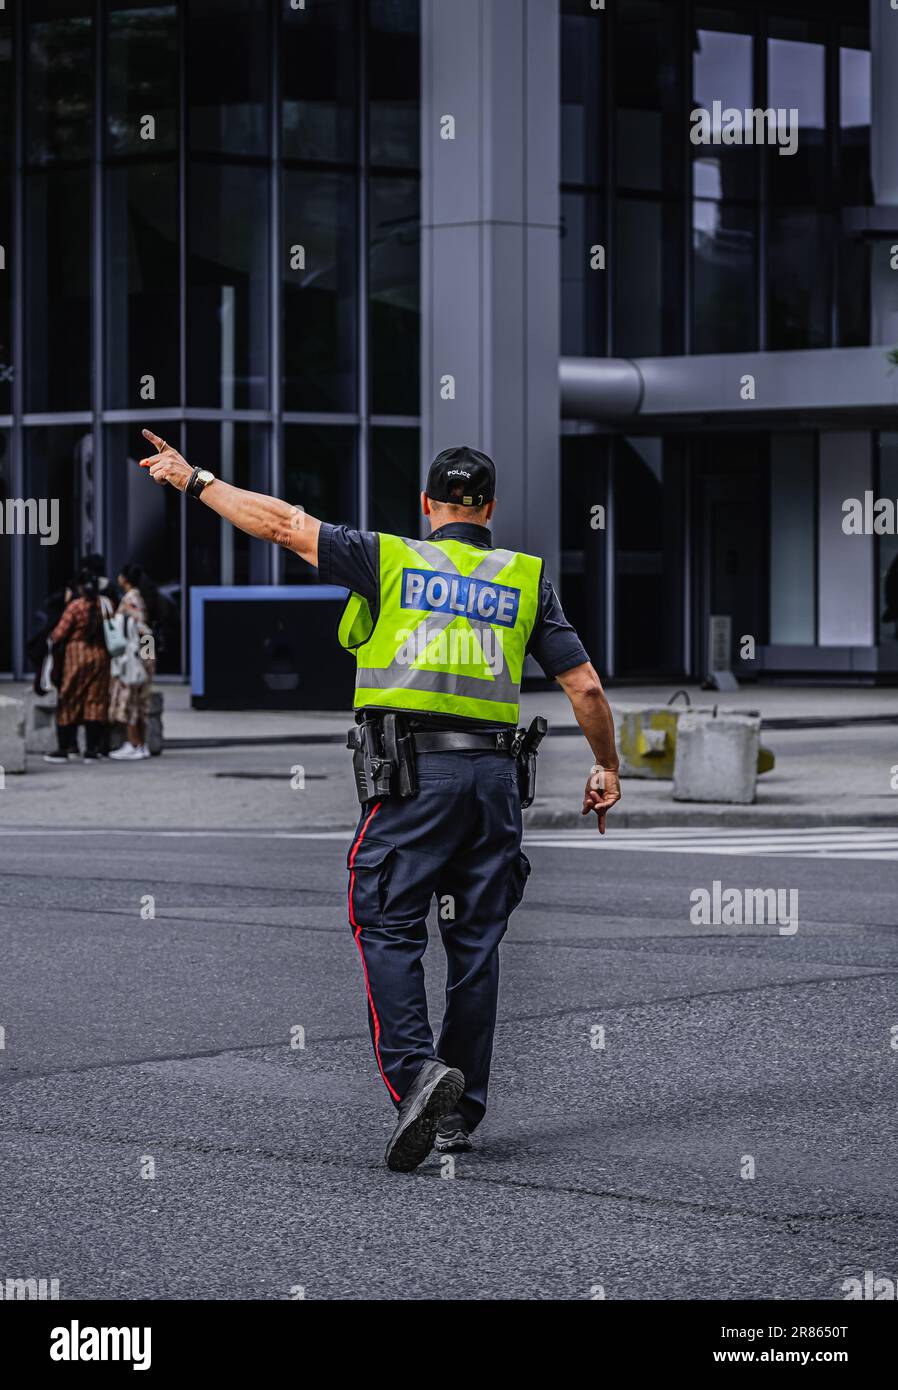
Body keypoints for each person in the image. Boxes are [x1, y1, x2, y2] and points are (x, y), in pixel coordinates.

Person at [137, 429, 621, 1172]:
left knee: (387, 923)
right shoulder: (524, 578)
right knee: (475, 946)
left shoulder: (391, 558)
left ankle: (417, 1075)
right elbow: (584, 686)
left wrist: (193, 478)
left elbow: (280, 522)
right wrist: (605, 767)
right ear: (488, 507)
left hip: (414, 778)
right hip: (495, 785)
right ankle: (458, 1116)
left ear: (427, 505)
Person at [44, 570, 112, 765]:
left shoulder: (75, 607)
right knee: (95, 702)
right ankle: (91, 750)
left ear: (80, 588)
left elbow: (59, 633)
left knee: (68, 700)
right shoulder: (105, 605)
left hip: (76, 657)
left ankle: (64, 748)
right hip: (100, 657)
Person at [108, 563, 157, 761]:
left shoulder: (130, 598)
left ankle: (133, 743)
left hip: (135, 653)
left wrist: (140, 655)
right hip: (144, 652)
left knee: (130, 700)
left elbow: (139, 626)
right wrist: (148, 656)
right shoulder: (143, 596)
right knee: (142, 699)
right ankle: (141, 745)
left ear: (124, 578)